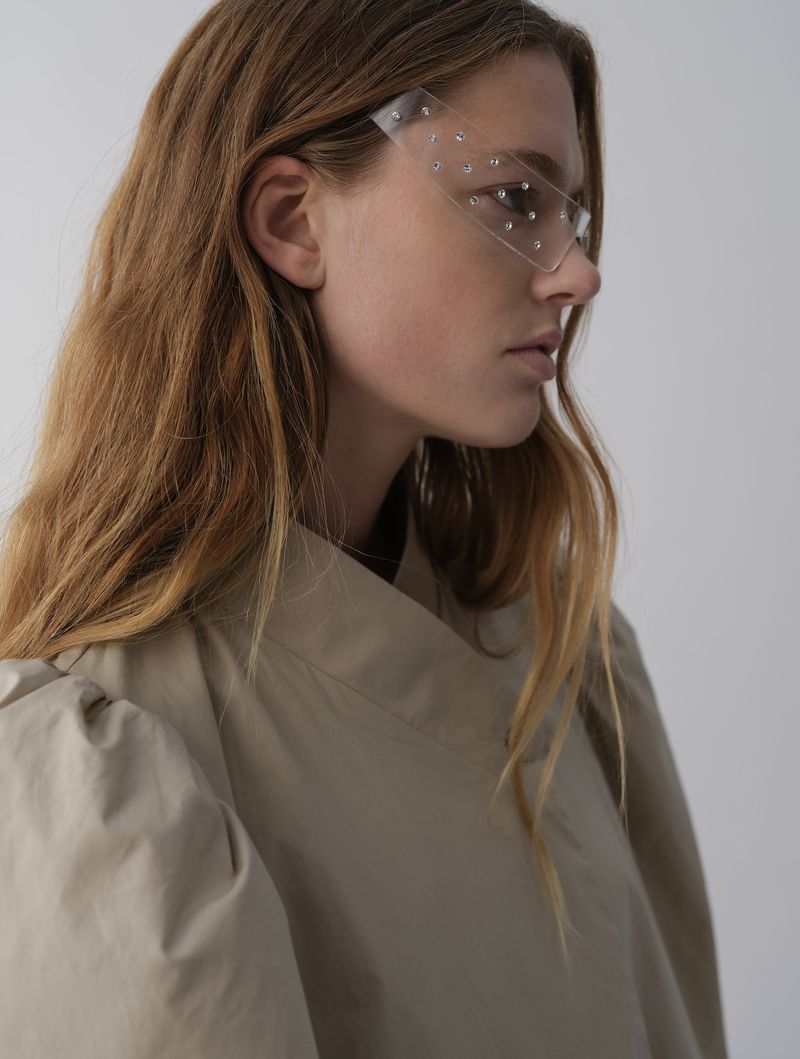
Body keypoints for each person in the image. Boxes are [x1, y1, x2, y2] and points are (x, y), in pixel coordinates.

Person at [0, 1, 729, 1056]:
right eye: (514, 197)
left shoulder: (569, 661)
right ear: (293, 220)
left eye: (570, 213)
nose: (575, 272)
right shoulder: (113, 765)